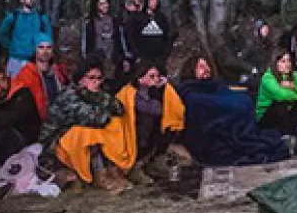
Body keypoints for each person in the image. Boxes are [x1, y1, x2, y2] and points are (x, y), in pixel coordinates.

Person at [39, 58, 138, 192]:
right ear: (81, 79)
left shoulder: (97, 93)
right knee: (87, 132)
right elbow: (95, 118)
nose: (96, 82)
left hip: (77, 142)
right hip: (55, 144)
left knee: (115, 124)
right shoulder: (69, 95)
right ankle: (99, 174)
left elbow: (119, 109)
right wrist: (103, 105)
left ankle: (112, 170)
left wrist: (101, 98)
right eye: (91, 78)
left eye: (99, 78)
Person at [176, 55, 290, 166]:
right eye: (201, 66)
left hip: (225, 106)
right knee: (238, 106)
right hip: (216, 133)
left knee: (245, 100)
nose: (207, 69)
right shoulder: (190, 92)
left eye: (207, 66)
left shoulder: (213, 85)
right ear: (191, 69)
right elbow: (204, 105)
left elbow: (223, 93)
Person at [256, 51, 297, 155]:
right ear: (275, 63)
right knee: (281, 103)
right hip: (268, 117)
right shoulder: (268, 78)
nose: (287, 64)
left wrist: (293, 86)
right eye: (283, 61)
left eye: (289, 61)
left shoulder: (294, 76)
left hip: (287, 115)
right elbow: (281, 95)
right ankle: (286, 139)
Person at [133, 66, 185, 167]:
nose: (156, 80)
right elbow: (154, 109)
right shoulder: (135, 93)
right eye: (152, 76)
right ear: (140, 78)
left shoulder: (159, 91)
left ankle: (153, 160)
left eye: (158, 76)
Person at [11, 34, 69, 124]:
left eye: (48, 47)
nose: (45, 51)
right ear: (35, 50)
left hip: (58, 119)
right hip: (37, 123)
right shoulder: (26, 73)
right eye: (41, 47)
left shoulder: (58, 71)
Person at [0, 0, 53, 78]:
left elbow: (48, 37)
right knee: (13, 87)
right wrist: (11, 46)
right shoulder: (13, 16)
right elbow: (2, 33)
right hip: (15, 59)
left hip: (34, 59)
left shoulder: (41, 18)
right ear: (21, 0)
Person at [82, 0, 130, 77]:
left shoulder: (115, 21)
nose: (105, 6)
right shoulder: (90, 23)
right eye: (101, 4)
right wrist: (87, 60)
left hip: (113, 61)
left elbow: (121, 42)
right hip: (96, 61)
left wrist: (124, 58)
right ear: (96, 5)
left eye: (106, 3)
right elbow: (85, 44)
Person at [125, 0, 171, 73]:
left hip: (159, 58)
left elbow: (167, 37)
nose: (154, 2)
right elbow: (130, 37)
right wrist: (137, 55)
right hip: (143, 58)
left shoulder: (162, 18)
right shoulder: (136, 17)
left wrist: (164, 55)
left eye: (156, 0)